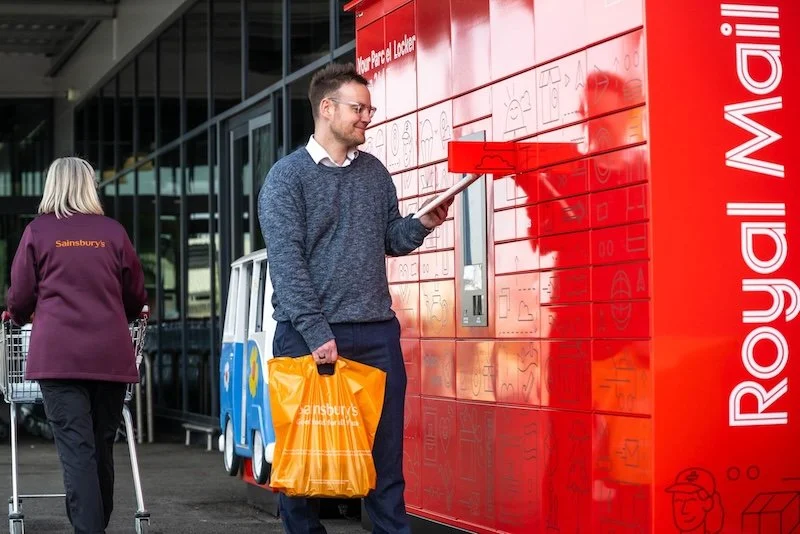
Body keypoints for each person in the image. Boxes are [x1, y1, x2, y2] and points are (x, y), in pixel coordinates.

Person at [258, 62, 451, 534]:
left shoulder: (375, 173)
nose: (367, 117)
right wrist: (317, 332)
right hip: (309, 338)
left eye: (370, 108)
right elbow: (287, 263)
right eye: (358, 108)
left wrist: (422, 224)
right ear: (326, 108)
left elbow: (390, 238)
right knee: (304, 463)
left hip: (376, 334)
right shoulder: (286, 179)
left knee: (385, 465)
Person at [4, 157, 148, 534]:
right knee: (101, 447)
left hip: (59, 359)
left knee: (76, 450)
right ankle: (95, 524)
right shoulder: (113, 232)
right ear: (90, 186)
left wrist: (17, 317)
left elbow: (19, 297)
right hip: (110, 357)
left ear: (52, 185)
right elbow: (135, 295)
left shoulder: (37, 233)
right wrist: (130, 309)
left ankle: (89, 528)